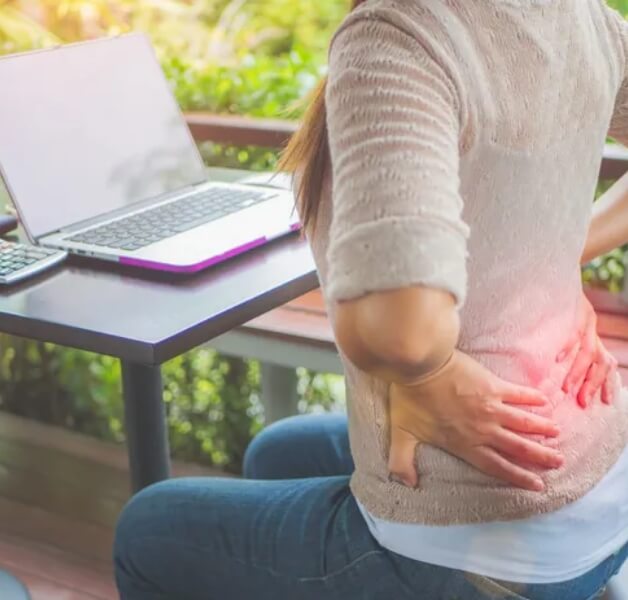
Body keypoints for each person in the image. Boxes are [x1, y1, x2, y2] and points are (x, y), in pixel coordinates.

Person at [113, 0, 628, 598]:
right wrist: (553, 260)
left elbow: (402, 333)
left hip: (498, 539)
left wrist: (429, 371)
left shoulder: (401, 35)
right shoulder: (580, 15)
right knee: (276, 452)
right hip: (605, 486)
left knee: (145, 530)